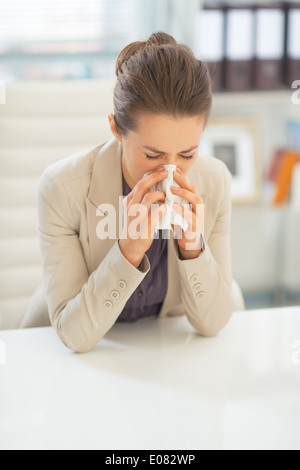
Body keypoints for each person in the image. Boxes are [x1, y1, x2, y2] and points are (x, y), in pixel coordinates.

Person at [22, 32, 234, 353]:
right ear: (116, 129)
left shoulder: (214, 181)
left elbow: (213, 324)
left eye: (188, 154)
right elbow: (74, 337)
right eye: (152, 155)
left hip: (164, 352)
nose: (170, 171)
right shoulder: (61, 188)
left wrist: (193, 249)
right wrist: (127, 252)